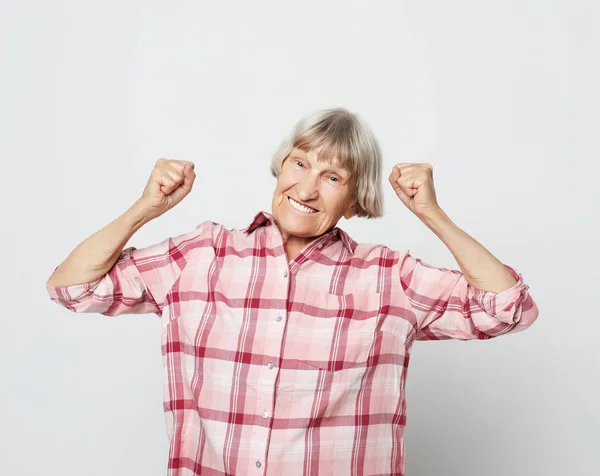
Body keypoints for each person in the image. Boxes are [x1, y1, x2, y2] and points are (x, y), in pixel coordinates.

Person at [46, 108, 539, 476]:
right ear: (280, 168)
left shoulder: (388, 277)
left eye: (332, 176)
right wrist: (144, 208)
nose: (306, 189)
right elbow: (73, 286)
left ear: (355, 199)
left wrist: (432, 214)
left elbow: (508, 308)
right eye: (299, 164)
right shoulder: (201, 255)